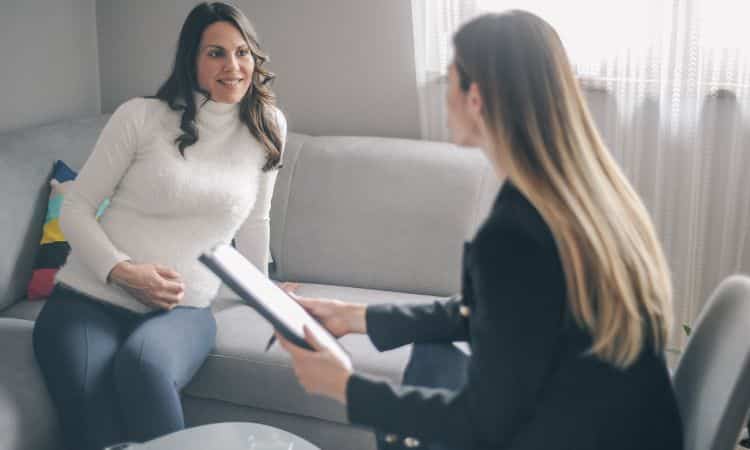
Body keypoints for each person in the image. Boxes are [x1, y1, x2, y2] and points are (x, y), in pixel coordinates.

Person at [277, 10, 683, 450]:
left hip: (573, 434)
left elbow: (483, 426)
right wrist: (353, 316)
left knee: (420, 400)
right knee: (433, 357)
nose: (444, 92)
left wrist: (344, 386)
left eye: (450, 77)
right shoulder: (584, 194)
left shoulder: (515, 234)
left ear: (477, 98)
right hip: (615, 426)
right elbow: (495, 313)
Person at [32, 3, 286, 449]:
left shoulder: (268, 127)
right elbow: (77, 209)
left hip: (184, 310)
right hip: (88, 301)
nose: (233, 66)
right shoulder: (140, 117)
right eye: (215, 53)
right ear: (191, 60)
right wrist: (124, 271)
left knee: (143, 367)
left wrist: (266, 297)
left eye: (242, 52)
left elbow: (256, 221)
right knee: (97, 426)